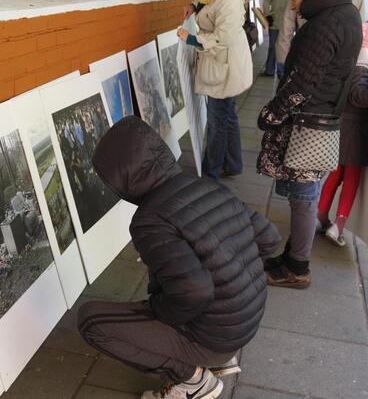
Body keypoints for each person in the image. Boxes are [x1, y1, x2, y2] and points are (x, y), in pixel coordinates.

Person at [78, 116, 281, 399]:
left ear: (120, 180)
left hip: (215, 336)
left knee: (91, 322)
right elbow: (269, 238)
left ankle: (194, 380)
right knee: (172, 283)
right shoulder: (209, 185)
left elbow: (193, 292)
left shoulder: (150, 220)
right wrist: (233, 279)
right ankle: (216, 354)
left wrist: (158, 312)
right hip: (247, 320)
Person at [256, 0, 362, 288]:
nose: (292, 3)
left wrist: (271, 114)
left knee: (303, 196)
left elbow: (303, 85)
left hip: (309, 123)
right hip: (321, 118)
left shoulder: (325, 23)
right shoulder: (342, 13)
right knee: (306, 193)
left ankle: (298, 267)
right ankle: (292, 256)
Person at [176, 0, 253, 179]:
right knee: (227, 115)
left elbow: (221, 39)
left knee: (218, 119)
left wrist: (190, 38)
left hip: (225, 63)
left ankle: (211, 172)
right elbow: (207, 4)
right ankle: (233, 164)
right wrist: (195, 6)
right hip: (223, 61)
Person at [318, 22, 368, 245]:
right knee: (351, 180)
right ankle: (338, 226)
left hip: (340, 129)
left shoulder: (347, 65)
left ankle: (319, 215)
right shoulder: (364, 68)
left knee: (334, 175)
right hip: (356, 134)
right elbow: (358, 95)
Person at [261, 0, 293, 78]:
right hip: (275, 20)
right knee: (273, 46)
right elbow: (267, 0)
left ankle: (281, 71)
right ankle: (269, 70)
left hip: (288, 22)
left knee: (284, 47)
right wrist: (267, 14)